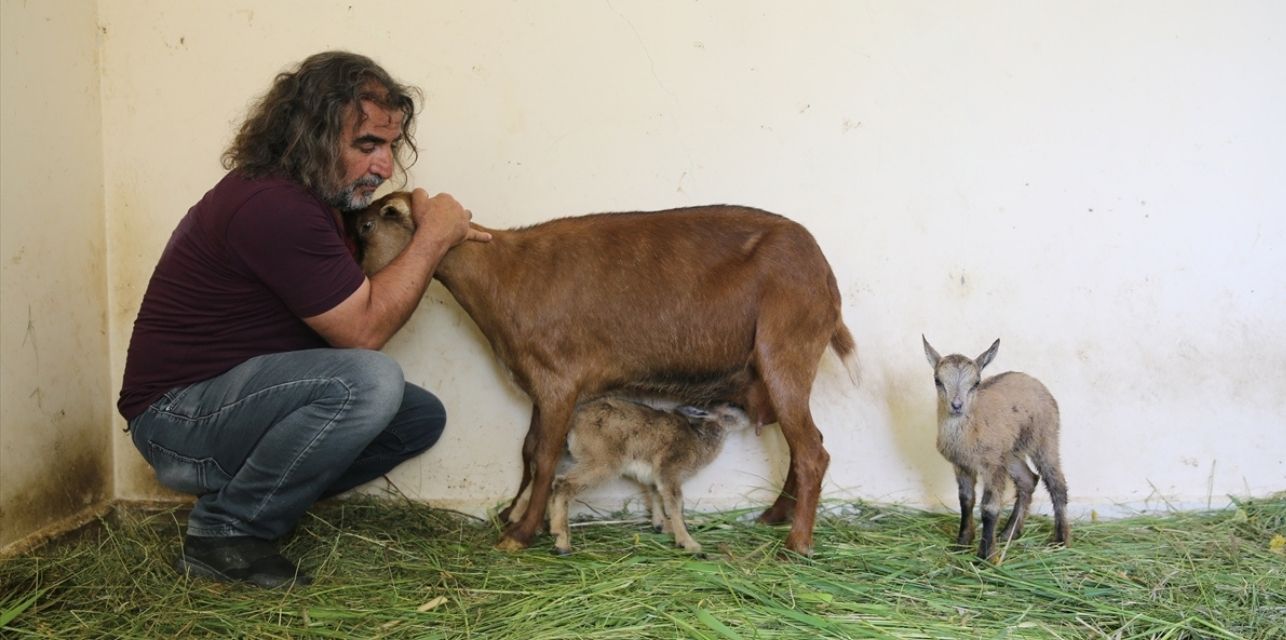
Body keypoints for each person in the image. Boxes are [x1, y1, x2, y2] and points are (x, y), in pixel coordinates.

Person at [118, 51, 490, 589]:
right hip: (176, 421)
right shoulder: (273, 206)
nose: (385, 166)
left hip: (224, 409)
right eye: (367, 145)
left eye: (389, 146)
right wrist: (433, 237)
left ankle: (245, 498)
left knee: (416, 417)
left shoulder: (317, 204)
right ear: (309, 135)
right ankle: (226, 534)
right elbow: (363, 331)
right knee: (370, 379)